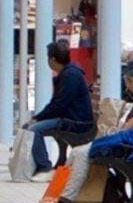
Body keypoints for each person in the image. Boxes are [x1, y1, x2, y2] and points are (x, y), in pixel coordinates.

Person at [32, 64, 133, 203]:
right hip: (132, 146)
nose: (128, 86)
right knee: (77, 152)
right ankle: (51, 200)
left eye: (131, 81)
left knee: (80, 154)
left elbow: (127, 129)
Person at [25, 39, 94, 177]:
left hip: (75, 122)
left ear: (52, 59)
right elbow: (57, 104)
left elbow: (59, 105)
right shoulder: (69, 73)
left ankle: (43, 167)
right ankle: (42, 165)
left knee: (33, 130)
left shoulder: (70, 75)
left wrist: (37, 118)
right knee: (29, 127)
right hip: (72, 118)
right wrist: (38, 117)